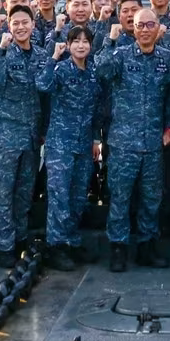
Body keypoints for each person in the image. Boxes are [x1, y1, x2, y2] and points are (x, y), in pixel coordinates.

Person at [97, 7, 170, 272]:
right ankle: (118, 248)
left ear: (157, 28)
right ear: (133, 28)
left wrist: (168, 128)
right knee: (120, 197)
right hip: (123, 142)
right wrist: (110, 39)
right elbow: (102, 70)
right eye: (139, 25)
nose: (144, 30)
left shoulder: (166, 58)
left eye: (149, 25)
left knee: (151, 198)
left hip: (153, 142)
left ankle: (146, 247)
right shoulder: (119, 55)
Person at [0, 5, 43, 267]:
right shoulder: (3, 53)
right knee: (3, 193)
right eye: (15, 23)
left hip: (30, 135)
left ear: (33, 25)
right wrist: (0, 50)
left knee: (24, 191)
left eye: (25, 22)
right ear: (9, 25)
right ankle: (3, 245)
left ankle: (19, 238)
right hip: (6, 134)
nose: (20, 27)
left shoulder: (41, 55)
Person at [37, 26, 100, 270]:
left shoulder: (93, 72)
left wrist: (96, 139)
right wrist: (53, 57)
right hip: (61, 143)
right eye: (76, 41)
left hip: (84, 143)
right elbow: (42, 85)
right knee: (59, 195)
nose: (81, 45)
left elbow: (97, 109)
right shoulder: (61, 69)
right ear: (69, 44)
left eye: (86, 41)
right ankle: (56, 244)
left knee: (77, 195)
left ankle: (71, 241)